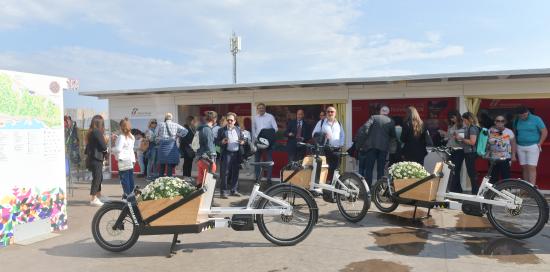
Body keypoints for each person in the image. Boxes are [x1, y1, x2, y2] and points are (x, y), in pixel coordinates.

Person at [358, 106, 395, 187]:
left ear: (380, 111)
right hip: (383, 148)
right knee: (380, 169)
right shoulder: (391, 121)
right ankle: (379, 188)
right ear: (388, 112)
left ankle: (367, 187)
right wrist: (392, 150)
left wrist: (363, 142)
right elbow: (393, 136)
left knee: (369, 169)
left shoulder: (373, 117)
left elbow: (365, 128)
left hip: (371, 147)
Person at [513, 106, 547, 186]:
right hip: (520, 146)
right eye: (521, 116)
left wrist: (540, 143)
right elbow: (515, 132)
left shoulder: (536, 119)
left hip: (533, 145)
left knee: (531, 167)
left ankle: (532, 187)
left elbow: (544, 131)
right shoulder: (516, 120)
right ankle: (526, 186)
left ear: (527, 112)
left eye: (524, 115)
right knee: (524, 167)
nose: (523, 117)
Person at [216, 112, 245, 198]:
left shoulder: (238, 129)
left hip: (236, 154)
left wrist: (242, 142)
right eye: (228, 120)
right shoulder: (221, 130)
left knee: (235, 173)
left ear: (235, 121)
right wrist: (222, 142)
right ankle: (223, 192)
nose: (229, 122)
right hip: (226, 154)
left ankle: (234, 190)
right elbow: (217, 142)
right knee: (225, 173)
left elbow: (243, 139)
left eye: (231, 120)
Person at [312, 106, 345, 181]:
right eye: (328, 111)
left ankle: (333, 185)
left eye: (332, 112)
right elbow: (314, 134)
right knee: (324, 169)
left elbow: (342, 135)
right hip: (324, 150)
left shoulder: (339, 123)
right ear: (326, 113)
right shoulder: (321, 122)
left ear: (335, 113)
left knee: (336, 169)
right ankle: (324, 185)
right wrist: (323, 134)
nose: (330, 113)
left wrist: (341, 144)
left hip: (336, 150)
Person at [85, 115, 108, 206]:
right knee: (97, 178)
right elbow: (103, 146)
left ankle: (98, 195)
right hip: (96, 158)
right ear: (99, 123)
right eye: (102, 123)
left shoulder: (91, 131)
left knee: (99, 177)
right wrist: (106, 141)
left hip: (93, 158)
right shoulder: (97, 132)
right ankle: (93, 198)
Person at [440, 110, 465, 193]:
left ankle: (453, 189)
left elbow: (461, 140)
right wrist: (444, 135)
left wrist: (452, 135)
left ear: (457, 116)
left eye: (453, 118)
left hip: (459, 150)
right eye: (450, 118)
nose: (452, 120)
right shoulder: (451, 125)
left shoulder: (462, 125)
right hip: (450, 149)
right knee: (451, 170)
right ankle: (457, 189)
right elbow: (448, 138)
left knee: (456, 170)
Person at [252, 103, 278, 183]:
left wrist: (268, 135)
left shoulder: (270, 117)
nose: (261, 109)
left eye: (262, 108)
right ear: (257, 109)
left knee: (269, 160)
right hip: (258, 141)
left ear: (265, 108)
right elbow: (253, 129)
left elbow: (275, 128)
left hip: (268, 142)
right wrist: (255, 139)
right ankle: (257, 178)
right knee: (257, 160)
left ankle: (268, 178)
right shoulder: (255, 118)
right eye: (259, 108)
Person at [487, 115, 517, 183]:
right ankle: (493, 193)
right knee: (493, 177)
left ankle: (506, 192)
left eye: (502, 121)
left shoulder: (509, 132)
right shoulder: (490, 131)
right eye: (498, 121)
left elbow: (513, 144)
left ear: (505, 122)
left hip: (506, 157)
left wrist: (513, 155)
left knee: (506, 176)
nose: (500, 122)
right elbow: (486, 144)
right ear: (495, 122)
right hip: (493, 157)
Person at [113, 118, 136, 199]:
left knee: (124, 180)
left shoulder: (121, 137)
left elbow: (118, 149)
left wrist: (111, 149)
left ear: (121, 127)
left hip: (123, 160)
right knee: (130, 179)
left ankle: (127, 196)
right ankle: (131, 195)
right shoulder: (132, 136)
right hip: (130, 159)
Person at [457, 112, 479, 195]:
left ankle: (475, 192)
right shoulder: (469, 128)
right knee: (471, 173)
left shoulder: (472, 128)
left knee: (472, 173)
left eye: (464, 120)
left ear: (468, 119)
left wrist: (461, 139)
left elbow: (472, 142)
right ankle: (475, 191)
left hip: (471, 153)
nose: (463, 122)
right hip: (469, 152)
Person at [196, 111, 218, 187]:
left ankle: (199, 197)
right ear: (214, 119)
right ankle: (207, 198)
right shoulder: (207, 130)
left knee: (201, 179)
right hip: (208, 158)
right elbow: (209, 145)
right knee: (209, 180)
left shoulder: (200, 129)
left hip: (200, 157)